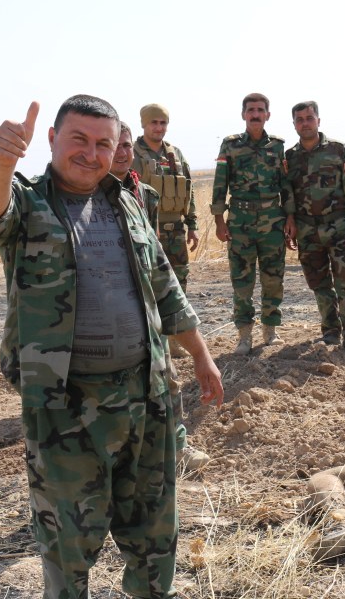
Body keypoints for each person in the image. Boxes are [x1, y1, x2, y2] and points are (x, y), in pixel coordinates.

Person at [0, 94, 224, 599]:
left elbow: (163, 283)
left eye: (103, 143)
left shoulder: (126, 200)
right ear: (52, 140)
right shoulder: (28, 200)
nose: (91, 153)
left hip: (146, 398)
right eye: (78, 139)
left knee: (154, 536)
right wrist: (1, 162)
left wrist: (199, 354)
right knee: (67, 545)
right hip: (65, 408)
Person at [112, 121, 211, 473]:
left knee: (166, 377)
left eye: (126, 146)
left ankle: (176, 449)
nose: (122, 153)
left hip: (146, 307)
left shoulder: (145, 197)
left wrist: (199, 350)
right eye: (116, 146)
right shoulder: (90, 197)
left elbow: (154, 263)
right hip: (110, 315)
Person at [283, 101, 345, 356]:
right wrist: (289, 220)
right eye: (299, 119)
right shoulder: (290, 157)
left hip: (337, 226)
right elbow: (286, 193)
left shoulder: (337, 150)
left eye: (309, 118)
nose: (305, 123)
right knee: (319, 284)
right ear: (294, 124)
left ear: (318, 120)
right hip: (307, 230)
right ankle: (331, 330)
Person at [211, 93, 292, 355]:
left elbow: (286, 186)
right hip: (240, 221)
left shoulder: (278, 147)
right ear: (243, 114)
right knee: (241, 280)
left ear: (267, 114)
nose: (255, 114)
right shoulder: (230, 145)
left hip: (272, 221)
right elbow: (220, 184)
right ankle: (244, 336)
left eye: (260, 110)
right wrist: (218, 220)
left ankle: (270, 330)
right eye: (250, 110)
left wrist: (290, 217)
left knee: (273, 278)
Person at [131, 104, 197, 359]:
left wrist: (193, 226)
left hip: (176, 231)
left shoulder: (175, 154)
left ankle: (173, 339)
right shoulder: (133, 153)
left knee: (178, 285)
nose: (158, 127)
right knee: (145, 284)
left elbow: (188, 191)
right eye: (153, 123)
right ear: (144, 125)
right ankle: (150, 340)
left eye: (162, 123)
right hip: (146, 230)